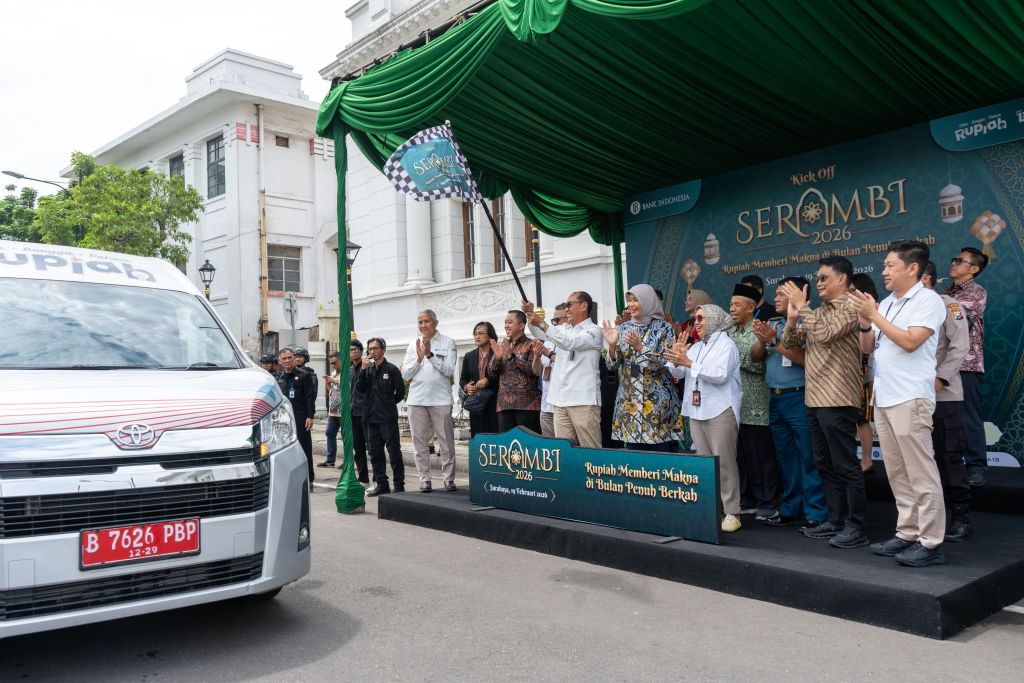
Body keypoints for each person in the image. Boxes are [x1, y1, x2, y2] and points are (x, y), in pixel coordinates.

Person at [851, 240, 949, 567]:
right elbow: (868, 347)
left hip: (911, 397)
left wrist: (873, 316)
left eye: (890, 265)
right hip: (885, 396)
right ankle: (907, 532)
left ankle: (932, 542)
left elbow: (910, 341)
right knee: (897, 472)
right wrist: (867, 321)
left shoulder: (929, 300)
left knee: (921, 472)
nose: (884, 271)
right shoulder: (888, 303)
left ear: (912, 268)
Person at [780, 256, 866, 548]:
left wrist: (803, 308)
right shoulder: (817, 310)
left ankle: (857, 527)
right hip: (815, 398)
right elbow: (790, 343)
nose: (817, 283)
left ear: (842, 278)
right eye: (817, 279)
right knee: (824, 464)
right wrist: (792, 318)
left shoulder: (852, 307)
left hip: (838, 398)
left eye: (823, 278)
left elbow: (825, 334)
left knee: (845, 465)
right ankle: (836, 521)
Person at [752, 277, 828, 528]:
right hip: (775, 399)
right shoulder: (772, 324)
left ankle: (816, 512)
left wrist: (776, 341)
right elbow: (755, 358)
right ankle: (791, 508)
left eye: (782, 294)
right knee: (785, 458)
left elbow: (808, 360)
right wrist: (764, 340)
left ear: (799, 297)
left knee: (809, 457)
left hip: (800, 397)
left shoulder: (810, 323)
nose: (775, 298)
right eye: (775, 294)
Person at [666, 304, 743, 532]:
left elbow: (720, 375)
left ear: (714, 319)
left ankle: (732, 512)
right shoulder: (697, 346)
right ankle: (711, 509)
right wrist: (676, 355)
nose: (695, 322)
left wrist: (688, 362)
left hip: (720, 409)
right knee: (704, 463)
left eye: (700, 317)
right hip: (697, 410)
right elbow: (678, 373)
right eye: (694, 318)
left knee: (725, 462)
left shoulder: (727, 345)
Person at [923, 262, 973, 541]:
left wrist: (940, 378)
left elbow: (960, 346)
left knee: (949, 456)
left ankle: (961, 518)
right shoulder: (903, 307)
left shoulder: (948, 304)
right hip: (913, 395)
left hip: (944, 396)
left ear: (925, 277)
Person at [600, 285, 683, 451]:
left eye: (635, 300)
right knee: (636, 456)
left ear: (647, 301)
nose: (631, 304)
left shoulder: (664, 328)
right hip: (629, 399)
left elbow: (664, 362)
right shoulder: (623, 328)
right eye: (629, 300)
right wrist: (611, 346)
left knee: (660, 455)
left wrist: (639, 347)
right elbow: (612, 365)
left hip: (657, 400)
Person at [523, 292, 603, 448]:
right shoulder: (564, 329)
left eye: (569, 304)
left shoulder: (594, 331)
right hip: (560, 401)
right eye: (565, 305)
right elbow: (539, 332)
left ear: (584, 306)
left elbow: (569, 343)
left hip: (583, 401)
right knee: (564, 453)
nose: (566, 309)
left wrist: (542, 323)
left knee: (591, 452)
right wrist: (529, 314)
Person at [730, 283, 780, 519]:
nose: (732, 308)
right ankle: (747, 499)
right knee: (741, 456)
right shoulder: (729, 333)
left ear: (751, 308)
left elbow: (758, 365)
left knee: (761, 456)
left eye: (737, 305)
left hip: (757, 403)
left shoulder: (759, 330)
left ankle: (768, 503)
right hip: (734, 406)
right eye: (730, 304)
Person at [943, 247, 989, 487]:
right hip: (942, 366)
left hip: (967, 364)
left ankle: (976, 467)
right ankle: (950, 466)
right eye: (954, 259)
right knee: (946, 418)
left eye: (960, 261)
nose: (953, 263)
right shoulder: (945, 291)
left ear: (973, 269)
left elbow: (955, 312)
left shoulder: (976, 291)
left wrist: (931, 298)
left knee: (968, 417)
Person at [401, 309, 458, 493]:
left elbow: (449, 370)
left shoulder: (447, 342)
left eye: (426, 321)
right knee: (419, 442)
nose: (423, 325)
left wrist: (429, 355)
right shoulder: (413, 345)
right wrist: (418, 358)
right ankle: (424, 479)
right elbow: (405, 373)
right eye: (420, 322)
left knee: (446, 441)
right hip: (416, 400)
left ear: (435, 323)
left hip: (440, 399)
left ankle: (449, 478)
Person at [357, 337, 406, 496]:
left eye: (376, 348)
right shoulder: (367, 369)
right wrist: (363, 370)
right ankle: (382, 484)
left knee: (394, 452)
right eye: (370, 349)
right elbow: (360, 388)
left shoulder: (391, 369)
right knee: (375, 452)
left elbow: (400, 392)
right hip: (371, 418)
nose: (373, 351)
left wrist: (388, 404)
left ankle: (399, 485)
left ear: (383, 349)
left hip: (387, 418)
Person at [488, 310, 542, 433]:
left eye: (510, 322)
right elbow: (491, 373)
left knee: (527, 445)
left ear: (521, 325)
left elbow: (533, 370)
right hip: (504, 404)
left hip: (527, 405)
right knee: (506, 447)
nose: (506, 325)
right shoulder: (503, 346)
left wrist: (512, 357)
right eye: (505, 322)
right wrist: (497, 358)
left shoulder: (531, 345)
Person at [849, 273, 880, 474]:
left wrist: (870, 377)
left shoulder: (876, 311)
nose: (849, 295)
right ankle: (855, 460)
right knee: (851, 418)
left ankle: (867, 461)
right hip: (848, 371)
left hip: (864, 370)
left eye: (852, 291)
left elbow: (873, 350)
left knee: (862, 418)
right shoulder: (848, 311)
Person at [275, 348, 316, 489]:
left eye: (289, 358)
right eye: (284, 359)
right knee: (284, 451)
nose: (287, 361)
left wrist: (310, 416)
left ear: (293, 358)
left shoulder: (304, 376)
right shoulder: (278, 379)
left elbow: (310, 397)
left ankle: (309, 479)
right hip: (284, 422)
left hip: (301, 419)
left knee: (304, 450)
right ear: (280, 361)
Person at [460, 321, 500, 437]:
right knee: (478, 436)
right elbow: (463, 379)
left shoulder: (497, 353)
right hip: (476, 401)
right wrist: (467, 387)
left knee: (494, 435)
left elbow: (502, 377)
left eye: (480, 333)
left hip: (494, 400)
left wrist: (487, 381)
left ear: (490, 336)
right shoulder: (469, 356)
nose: (477, 336)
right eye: (475, 334)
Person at [532, 305, 565, 438]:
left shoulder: (571, 341)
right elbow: (537, 372)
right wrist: (537, 356)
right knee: (550, 447)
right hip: (546, 404)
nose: (554, 323)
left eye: (558, 320)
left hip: (562, 405)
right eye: (553, 321)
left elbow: (566, 363)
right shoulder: (548, 342)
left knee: (566, 445)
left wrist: (548, 353)